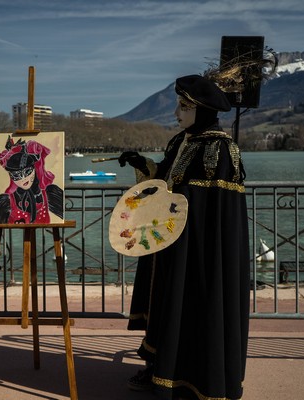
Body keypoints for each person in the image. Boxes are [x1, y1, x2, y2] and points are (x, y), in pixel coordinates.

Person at [119, 74, 250, 400]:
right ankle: (159, 368)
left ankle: (196, 380)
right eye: (178, 105)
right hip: (169, 244)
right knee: (165, 303)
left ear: (202, 109)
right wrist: (141, 164)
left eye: (184, 107)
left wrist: (176, 203)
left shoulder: (221, 148)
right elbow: (165, 179)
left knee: (194, 307)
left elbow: (215, 209)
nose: (177, 113)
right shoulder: (181, 142)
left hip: (200, 250)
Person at [0, 136, 64, 224]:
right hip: (17, 238)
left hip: (42, 235)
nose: (23, 178)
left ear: (34, 169)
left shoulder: (49, 194)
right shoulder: (6, 201)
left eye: (27, 172)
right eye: (16, 176)